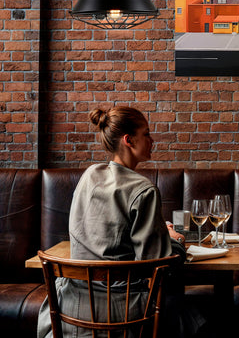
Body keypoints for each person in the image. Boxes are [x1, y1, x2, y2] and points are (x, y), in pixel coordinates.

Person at [37, 106, 206, 338]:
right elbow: (158, 265)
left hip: (71, 308)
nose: (152, 139)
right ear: (129, 140)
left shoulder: (88, 176)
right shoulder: (144, 190)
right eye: (146, 134)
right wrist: (175, 240)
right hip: (122, 314)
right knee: (191, 312)